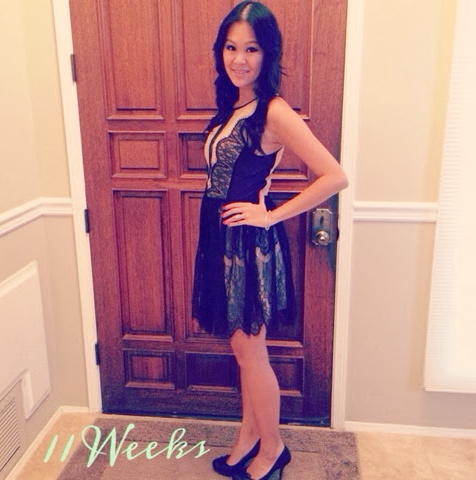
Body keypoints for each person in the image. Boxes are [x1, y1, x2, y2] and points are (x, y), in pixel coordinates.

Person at [191, 2, 348, 479]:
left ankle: (273, 448)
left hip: (248, 246)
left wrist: (270, 215)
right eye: (231, 47)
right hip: (221, 239)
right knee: (243, 352)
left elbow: (335, 176)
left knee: (252, 353)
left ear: (268, 53)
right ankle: (248, 437)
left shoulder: (274, 111)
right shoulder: (233, 106)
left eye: (251, 49)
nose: (239, 59)